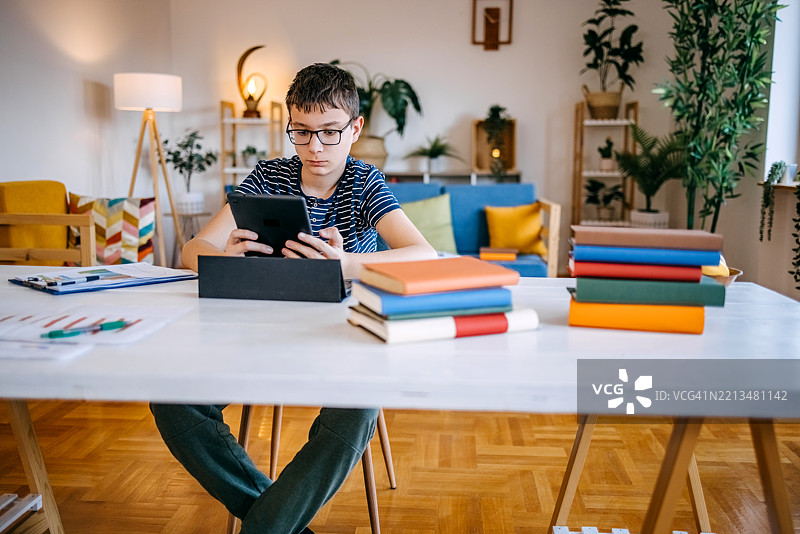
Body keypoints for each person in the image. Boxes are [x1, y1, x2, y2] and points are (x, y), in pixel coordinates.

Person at [150, 62, 436, 534]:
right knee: (170, 397)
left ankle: (267, 526)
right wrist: (228, 258)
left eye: (329, 132)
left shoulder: (364, 182)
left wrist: (340, 266)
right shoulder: (268, 177)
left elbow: (424, 256)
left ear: (355, 128)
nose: (315, 147)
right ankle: (280, 525)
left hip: (340, 341)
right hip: (257, 338)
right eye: (301, 133)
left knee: (360, 404)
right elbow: (191, 250)